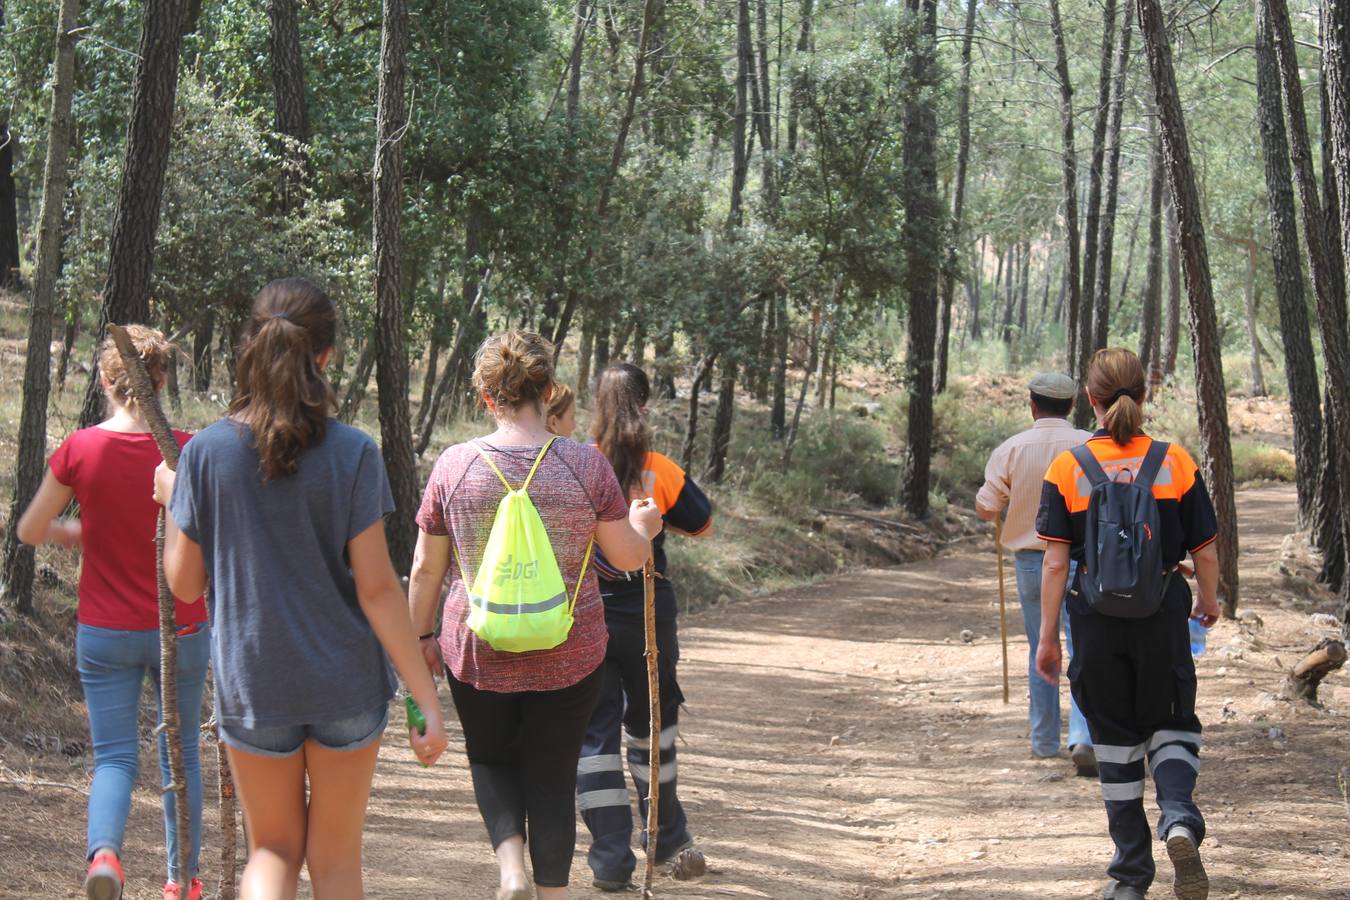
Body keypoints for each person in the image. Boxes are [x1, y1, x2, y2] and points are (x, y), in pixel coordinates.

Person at [156, 278, 448, 900]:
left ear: (251, 346)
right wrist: (423, 697)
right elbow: (376, 589)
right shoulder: (354, 454)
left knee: (272, 851)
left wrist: (173, 499)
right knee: (336, 859)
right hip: (345, 684)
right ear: (326, 355)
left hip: (255, 684)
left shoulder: (205, 455)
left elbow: (184, 585)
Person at [408, 332, 662, 900]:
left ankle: (510, 870)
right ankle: (551, 893)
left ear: (485, 397)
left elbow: (426, 568)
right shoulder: (584, 465)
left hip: (476, 652)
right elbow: (625, 557)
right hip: (569, 652)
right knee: (552, 772)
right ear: (548, 392)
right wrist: (647, 528)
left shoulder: (455, 465)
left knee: (492, 759)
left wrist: (421, 637)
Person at [17, 326, 208, 900]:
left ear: (105, 379)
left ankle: (105, 856)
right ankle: (183, 883)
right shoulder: (188, 449)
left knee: (116, 758)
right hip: (183, 623)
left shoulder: (80, 449)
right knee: (183, 754)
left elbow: (29, 529)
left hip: (104, 629)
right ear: (164, 380)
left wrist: (80, 531)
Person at [1035, 348, 1219, 900]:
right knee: (1172, 721)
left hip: (1093, 618)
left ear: (1089, 401)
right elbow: (1206, 549)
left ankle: (1130, 878)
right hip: (1162, 611)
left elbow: (1054, 561)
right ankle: (1180, 818)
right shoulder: (1174, 461)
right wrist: (1207, 601)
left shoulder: (1068, 467)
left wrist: (1047, 639)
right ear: (1144, 395)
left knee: (1113, 737)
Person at [575, 363, 713, 892]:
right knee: (653, 724)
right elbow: (703, 523)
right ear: (647, 407)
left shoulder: (576, 462)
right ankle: (668, 839)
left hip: (585, 614)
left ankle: (611, 861)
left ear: (596, 409)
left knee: (594, 735)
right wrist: (656, 521)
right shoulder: (660, 468)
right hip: (649, 609)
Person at [976, 373, 1096, 775]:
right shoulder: (1090, 445)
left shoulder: (1011, 449)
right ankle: (1084, 736)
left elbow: (987, 507)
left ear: (1032, 405)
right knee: (1083, 647)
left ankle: (1044, 739)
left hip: (1031, 561)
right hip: (1084, 561)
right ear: (1071, 406)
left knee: (1040, 646)